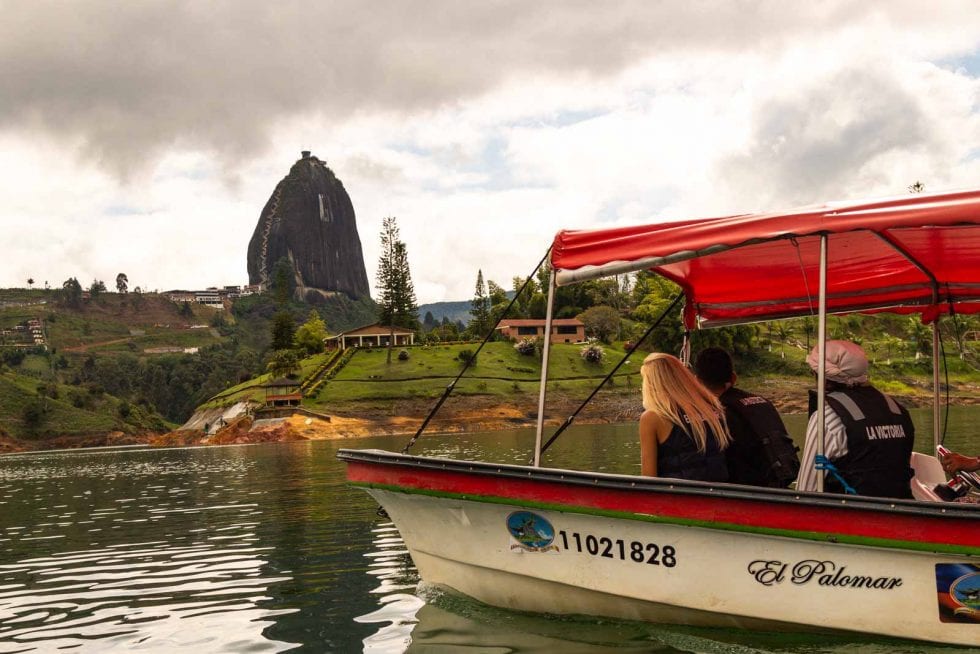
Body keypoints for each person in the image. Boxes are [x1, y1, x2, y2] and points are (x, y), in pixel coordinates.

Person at [796, 340, 915, 499]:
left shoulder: (827, 416)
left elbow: (807, 489)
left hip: (852, 516)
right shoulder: (897, 409)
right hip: (901, 510)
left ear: (820, 374)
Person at [694, 347, 799, 488]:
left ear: (696, 381)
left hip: (746, 493)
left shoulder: (714, 415)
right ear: (733, 378)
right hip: (779, 484)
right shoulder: (762, 402)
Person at [639, 352, 731, 481]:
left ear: (651, 383)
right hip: (719, 493)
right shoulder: (712, 407)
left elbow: (648, 479)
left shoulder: (653, 417)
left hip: (680, 496)